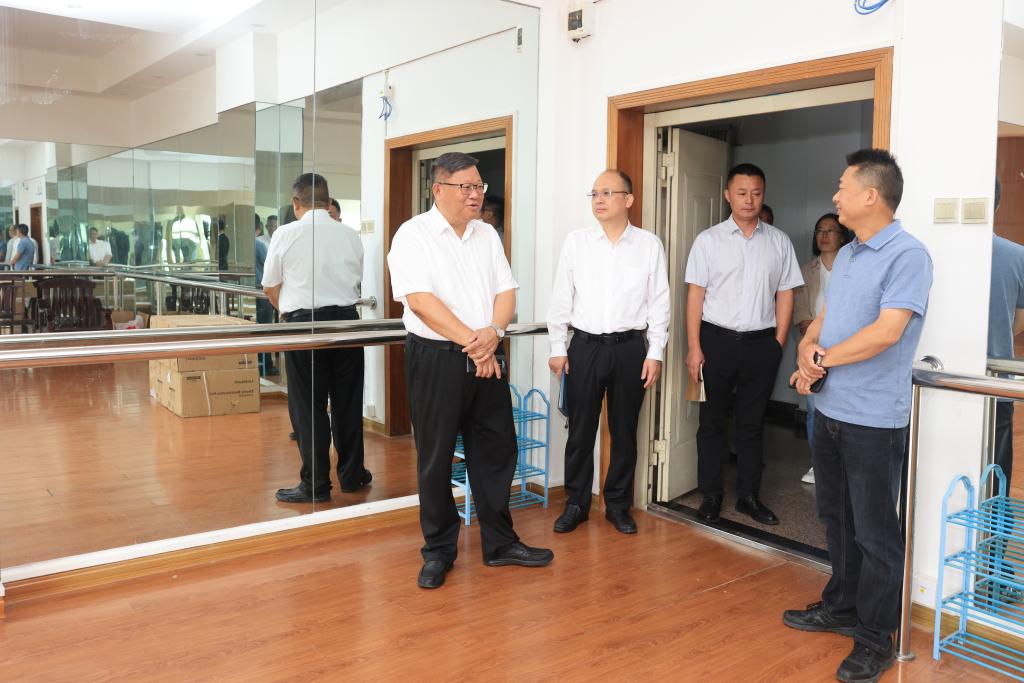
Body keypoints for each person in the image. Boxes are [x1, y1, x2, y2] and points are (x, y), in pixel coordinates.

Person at [783, 149, 932, 683]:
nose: (835, 196)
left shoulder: (909, 255)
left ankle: (874, 639)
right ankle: (841, 606)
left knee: (875, 535)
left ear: (871, 195)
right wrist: (808, 347)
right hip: (829, 410)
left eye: (843, 187)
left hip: (874, 421)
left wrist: (820, 360)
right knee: (836, 520)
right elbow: (827, 317)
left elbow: (887, 332)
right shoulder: (849, 254)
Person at [387, 151, 553, 590]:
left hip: (486, 354)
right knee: (435, 459)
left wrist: (493, 333)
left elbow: (506, 292)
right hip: (437, 358)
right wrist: (476, 344)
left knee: (496, 450)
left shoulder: (487, 235)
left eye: (478, 186)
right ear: (438, 189)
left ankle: (500, 543)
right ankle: (439, 551)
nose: (475, 194)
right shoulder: (413, 235)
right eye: (466, 187)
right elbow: (420, 301)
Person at [547, 169, 670, 535]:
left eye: (607, 192)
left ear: (628, 199)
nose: (598, 200)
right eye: (594, 193)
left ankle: (617, 505)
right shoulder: (577, 242)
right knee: (580, 431)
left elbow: (659, 302)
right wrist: (557, 346)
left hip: (630, 349)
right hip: (584, 347)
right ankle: (576, 504)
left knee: (624, 431)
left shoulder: (649, 245)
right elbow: (561, 297)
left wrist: (656, 351)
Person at [684, 163, 803, 526]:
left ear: (763, 195)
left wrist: (777, 342)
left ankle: (749, 496)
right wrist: (694, 347)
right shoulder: (708, 241)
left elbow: (786, 293)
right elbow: (695, 296)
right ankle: (711, 495)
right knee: (712, 422)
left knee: (752, 423)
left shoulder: (779, 242)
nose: (749, 200)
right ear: (728, 195)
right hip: (715, 341)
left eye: (756, 193)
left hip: (761, 344)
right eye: (741, 193)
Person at [263, 173, 369, 502]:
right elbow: (357, 279)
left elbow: (270, 285)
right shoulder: (350, 234)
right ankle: (352, 475)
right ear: (328, 200)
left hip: (304, 327)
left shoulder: (285, 234)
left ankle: (316, 484)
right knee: (348, 403)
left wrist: (287, 312)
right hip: (347, 325)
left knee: (308, 407)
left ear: (296, 203)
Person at [792, 213, 852, 485]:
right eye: (820, 230)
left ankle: (843, 467)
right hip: (814, 351)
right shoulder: (806, 271)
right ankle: (819, 465)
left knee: (845, 410)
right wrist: (814, 341)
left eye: (831, 230)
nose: (824, 235)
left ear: (842, 236)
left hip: (847, 350)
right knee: (815, 410)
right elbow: (802, 313)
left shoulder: (851, 266)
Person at [254, 220, 277, 376]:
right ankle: (267, 363)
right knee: (265, 328)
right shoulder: (258, 244)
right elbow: (269, 266)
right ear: (259, 229)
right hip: (260, 291)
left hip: (247, 291)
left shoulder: (242, 246)